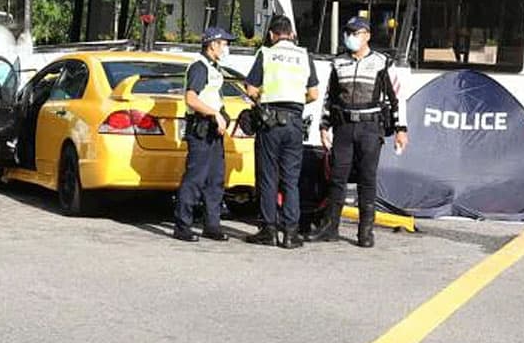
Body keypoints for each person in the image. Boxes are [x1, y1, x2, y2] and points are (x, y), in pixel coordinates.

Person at [311, 16, 409, 248]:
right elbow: (330, 97)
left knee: (367, 179)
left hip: (370, 127)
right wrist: (324, 126)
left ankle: (365, 232)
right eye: (348, 32)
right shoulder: (339, 63)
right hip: (344, 126)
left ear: (367, 36)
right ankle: (330, 228)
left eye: (355, 33)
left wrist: (401, 129)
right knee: (337, 178)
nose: (350, 37)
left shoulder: (383, 62)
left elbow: (397, 99)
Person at [243, 15, 318, 249]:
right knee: (291, 180)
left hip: (270, 122)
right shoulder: (304, 55)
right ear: (292, 34)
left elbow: (251, 88)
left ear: (272, 35)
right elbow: (314, 94)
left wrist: (263, 98)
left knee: (268, 177)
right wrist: (296, 100)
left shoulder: (266, 53)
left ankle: (268, 230)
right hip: (294, 122)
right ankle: (290, 234)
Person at [172, 27, 234, 243]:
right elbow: (191, 98)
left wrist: (222, 115)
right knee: (195, 178)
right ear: (212, 44)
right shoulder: (199, 67)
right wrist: (214, 113)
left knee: (215, 179)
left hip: (213, 131)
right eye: (224, 44)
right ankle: (182, 225)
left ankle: (212, 225)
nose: (227, 48)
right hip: (201, 128)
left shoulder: (214, 67)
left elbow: (213, 97)